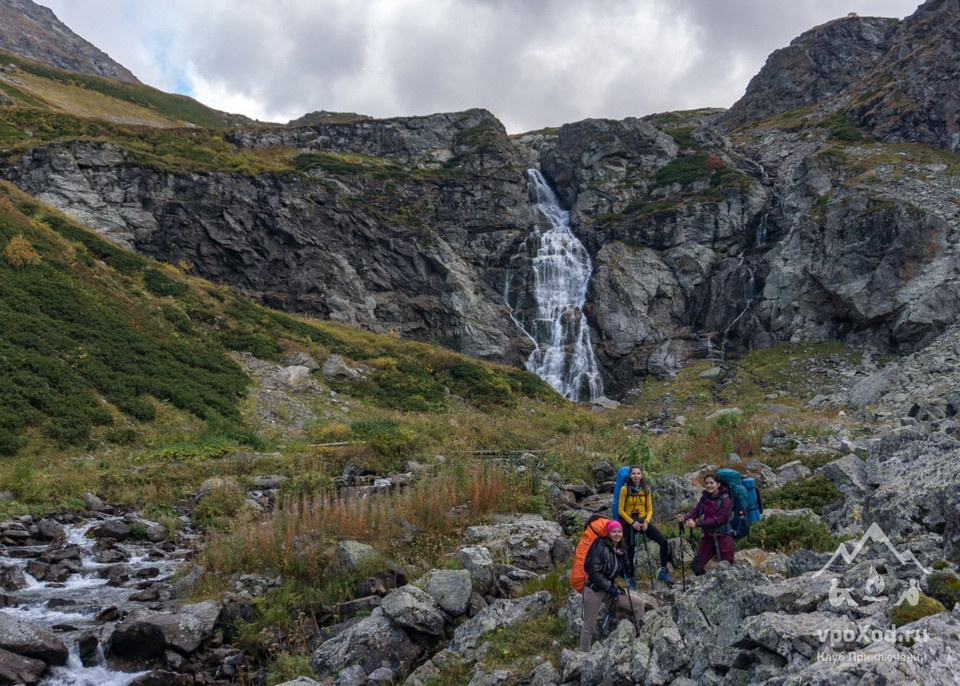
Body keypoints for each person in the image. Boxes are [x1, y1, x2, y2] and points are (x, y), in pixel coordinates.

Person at [579, 520, 647, 652]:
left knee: (638, 604)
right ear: (608, 533)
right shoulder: (599, 546)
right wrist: (608, 587)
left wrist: (624, 557)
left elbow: (628, 573)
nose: (617, 534)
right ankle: (583, 654)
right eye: (614, 531)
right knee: (589, 626)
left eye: (619, 531)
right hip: (594, 589)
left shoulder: (621, 548)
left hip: (611, 589)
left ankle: (641, 640)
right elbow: (593, 571)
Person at [617, 465, 673, 586]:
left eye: (638, 473)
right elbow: (620, 510)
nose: (636, 476)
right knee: (629, 550)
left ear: (641, 475)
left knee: (663, 541)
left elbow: (650, 510)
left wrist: (646, 522)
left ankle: (663, 571)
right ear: (630, 475)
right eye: (634, 474)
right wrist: (632, 522)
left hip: (643, 521)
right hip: (629, 522)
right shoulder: (624, 489)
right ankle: (631, 577)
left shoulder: (646, 489)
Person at [674, 472, 734, 575]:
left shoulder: (726, 500)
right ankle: (706, 587)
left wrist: (697, 524)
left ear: (718, 484)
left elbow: (717, 520)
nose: (708, 485)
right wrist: (684, 518)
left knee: (728, 570)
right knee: (696, 566)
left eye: (711, 483)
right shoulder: (705, 497)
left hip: (723, 538)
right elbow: (696, 511)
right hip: (708, 538)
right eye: (706, 483)